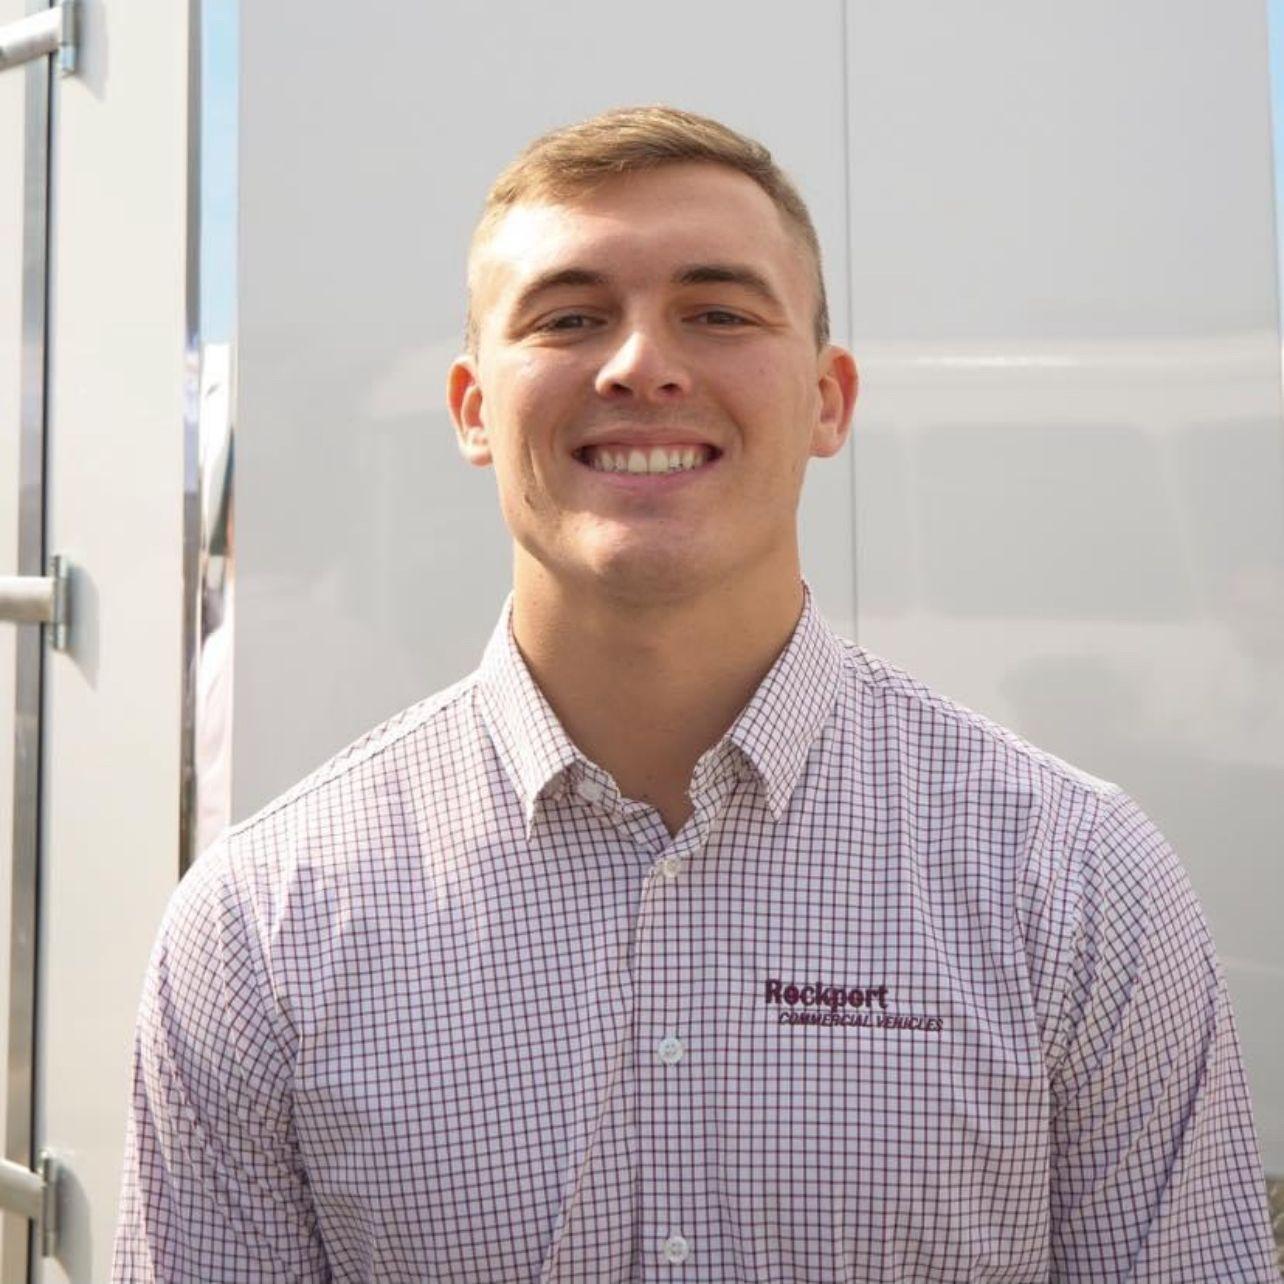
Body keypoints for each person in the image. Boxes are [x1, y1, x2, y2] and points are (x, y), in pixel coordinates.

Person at [111, 104, 1279, 1282]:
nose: (641, 364)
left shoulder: (1074, 882)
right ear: (473, 410)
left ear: (829, 400)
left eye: (718, 312)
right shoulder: (258, 931)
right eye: (570, 317)